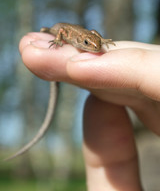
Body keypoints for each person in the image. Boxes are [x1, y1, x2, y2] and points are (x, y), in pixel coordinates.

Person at [19, 31, 160, 191]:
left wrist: (100, 40)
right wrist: (57, 40)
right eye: (88, 44)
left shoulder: (91, 39)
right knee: (44, 35)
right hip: (53, 32)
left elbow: (93, 33)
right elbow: (62, 31)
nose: (95, 48)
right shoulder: (70, 35)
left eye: (96, 44)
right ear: (79, 40)